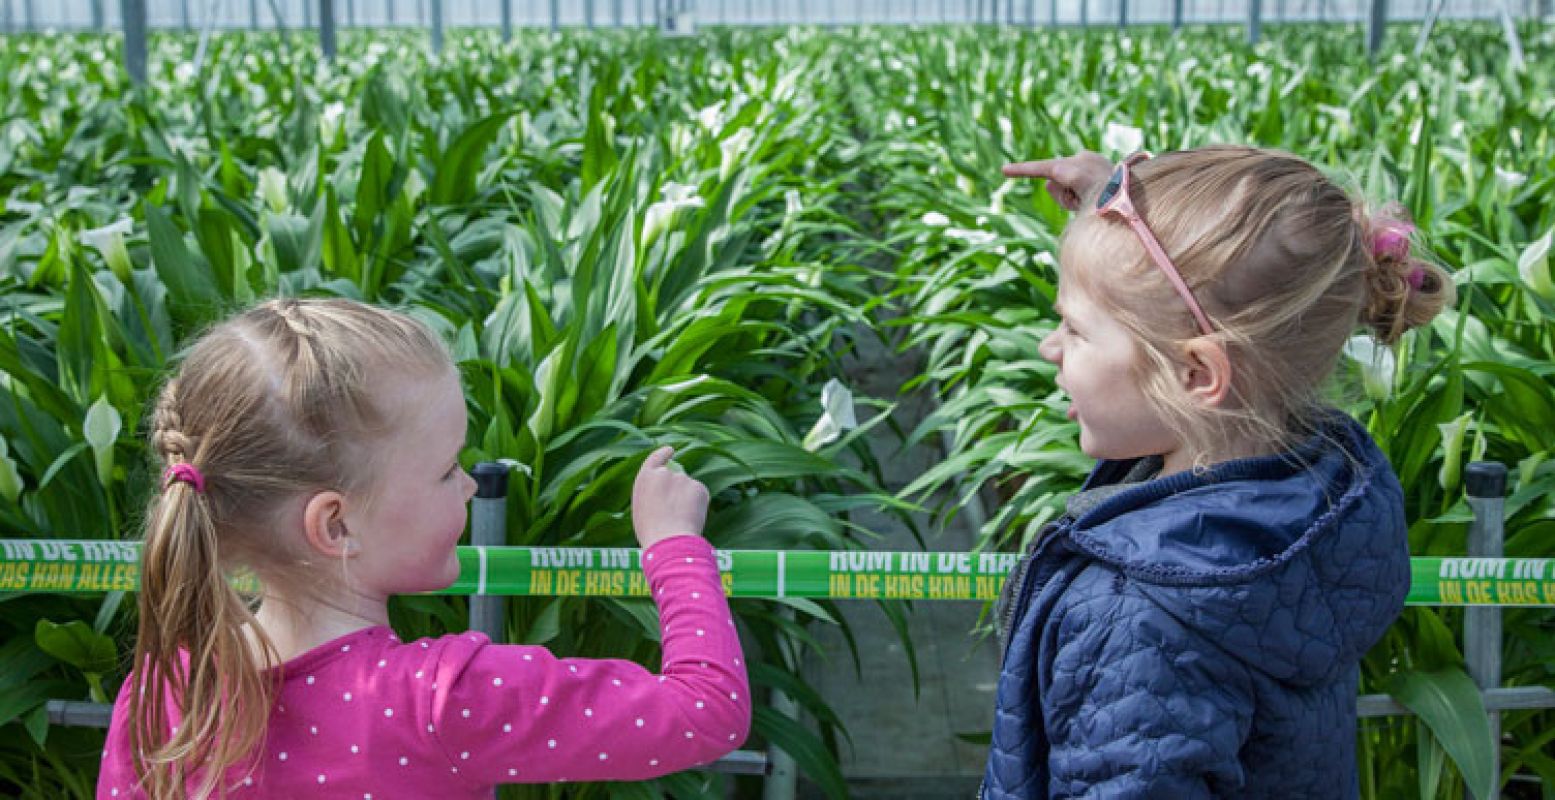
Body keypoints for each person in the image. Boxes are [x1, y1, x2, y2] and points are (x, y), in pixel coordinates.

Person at [96, 298, 749, 799]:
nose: (468, 485)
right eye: (445, 470)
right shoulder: (442, 700)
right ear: (336, 526)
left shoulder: (159, 698)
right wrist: (674, 546)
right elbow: (706, 712)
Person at [980, 146, 1453, 798]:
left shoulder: (1137, 621)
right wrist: (1102, 202)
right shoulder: (1315, 496)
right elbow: (1228, 268)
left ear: (1198, 373)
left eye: (1074, 328)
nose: (1049, 346)